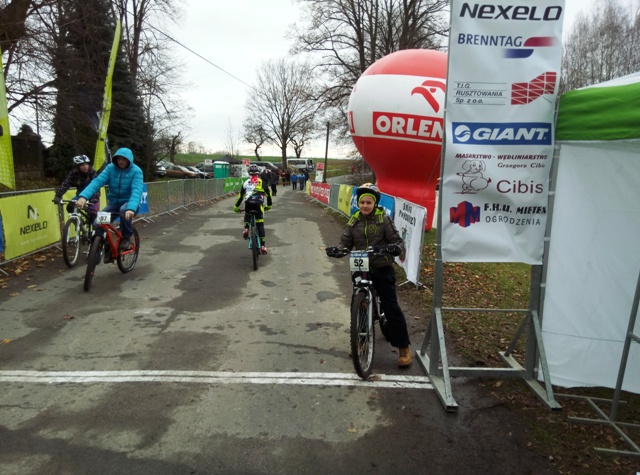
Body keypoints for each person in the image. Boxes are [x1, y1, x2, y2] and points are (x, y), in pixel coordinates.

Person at [326, 183, 412, 367]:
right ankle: (362, 341)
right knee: (359, 305)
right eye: (362, 202)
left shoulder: (383, 219)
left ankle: (403, 346)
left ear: (374, 203)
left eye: (368, 202)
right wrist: (338, 250)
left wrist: (393, 248)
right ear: (358, 203)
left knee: (391, 307)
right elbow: (346, 242)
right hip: (361, 268)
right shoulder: (354, 220)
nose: (365, 206)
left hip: (381, 268)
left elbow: (397, 241)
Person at [76, 147, 144, 258]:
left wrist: (131, 208)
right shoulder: (110, 168)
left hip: (129, 204)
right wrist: (83, 197)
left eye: (124, 159)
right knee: (97, 223)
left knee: (123, 210)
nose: (121, 161)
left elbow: (136, 191)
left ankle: (126, 237)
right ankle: (106, 246)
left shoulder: (136, 171)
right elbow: (97, 182)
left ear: (129, 160)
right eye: (119, 159)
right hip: (114, 203)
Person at [233, 164, 272, 254]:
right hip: (258, 204)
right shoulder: (262, 183)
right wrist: (269, 205)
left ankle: (246, 228)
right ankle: (263, 245)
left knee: (247, 214)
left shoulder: (246, 182)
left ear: (249, 173)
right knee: (260, 225)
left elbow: (240, 197)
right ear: (259, 173)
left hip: (248, 203)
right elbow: (269, 195)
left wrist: (236, 207)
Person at [52, 154, 100, 222]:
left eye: (86, 164)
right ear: (78, 166)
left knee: (94, 217)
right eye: (82, 165)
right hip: (80, 196)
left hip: (93, 196)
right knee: (70, 207)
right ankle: (79, 222)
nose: (85, 167)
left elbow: (96, 187)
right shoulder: (74, 173)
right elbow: (65, 184)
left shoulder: (92, 173)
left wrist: (95, 198)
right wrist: (58, 196)